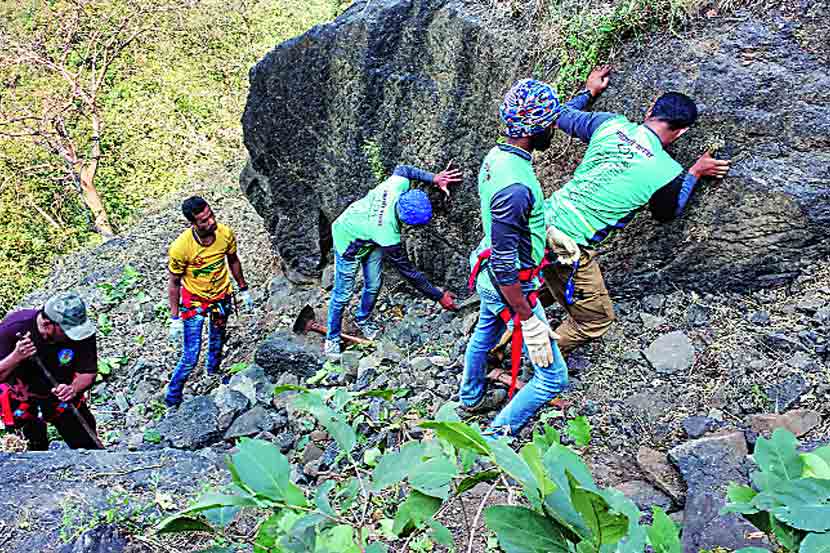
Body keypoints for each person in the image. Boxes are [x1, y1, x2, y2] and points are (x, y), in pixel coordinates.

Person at [542, 66, 731, 355]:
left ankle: (501, 350)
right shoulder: (667, 172)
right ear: (680, 133)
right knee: (596, 321)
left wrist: (589, 91)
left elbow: (560, 116)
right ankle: (534, 358)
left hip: (540, 220)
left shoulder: (610, 125)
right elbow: (666, 214)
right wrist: (694, 172)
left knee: (534, 288)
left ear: (651, 109)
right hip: (570, 245)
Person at [460, 78, 579, 437]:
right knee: (553, 378)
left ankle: (470, 397)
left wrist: (545, 236)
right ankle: (497, 437)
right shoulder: (515, 187)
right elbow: (504, 263)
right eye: (550, 123)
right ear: (536, 129)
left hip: (488, 273)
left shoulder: (499, 156)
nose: (554, 128)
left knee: (486, 330)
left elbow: (508, 228)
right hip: (508, 284)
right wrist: (529, 320)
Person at [326, 164, 462, 358]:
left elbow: (404, 169)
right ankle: (332, 338)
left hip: (367, 233)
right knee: (342, 295)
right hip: (347, 241)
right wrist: (438, 296)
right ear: (405, 220)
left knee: (373, 284)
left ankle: (362, 319)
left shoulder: (397, 186)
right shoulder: (387, 234)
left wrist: (434, 178)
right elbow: (410, 273)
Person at [165, 196, 254, 407]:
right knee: (190, 355)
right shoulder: (181, 248)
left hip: (221, 297)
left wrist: (243, 288)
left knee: (217, 341)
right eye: (204, 221)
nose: (211, 222)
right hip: (194, 302)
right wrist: (174, 317)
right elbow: (174, 282)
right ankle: (172, 398)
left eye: (211, 216)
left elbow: (233, 260)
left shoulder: (225, 234)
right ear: (192, 223)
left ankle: (212, 374)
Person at [0, 292, 101, 450]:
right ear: (48, 324)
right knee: (29, 450)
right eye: (67, 331)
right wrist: (16, 356)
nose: (73, 336)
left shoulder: (81, 332)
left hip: (62, 395)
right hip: (21, 398)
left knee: (87, 445)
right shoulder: (13, 329)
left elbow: (88, 372)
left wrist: (73, 389)